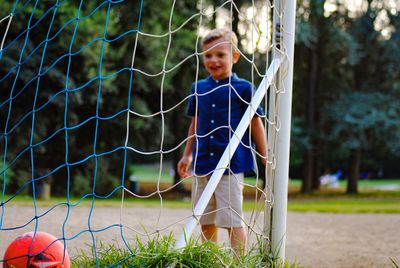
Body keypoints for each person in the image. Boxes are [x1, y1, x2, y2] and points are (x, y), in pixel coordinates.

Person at [177, 28, 267, 255]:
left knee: (232, 220)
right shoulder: (198, 88)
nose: (213, 60)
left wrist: (265, 156)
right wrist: (187, 155)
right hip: (202, 165)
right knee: (204, 218)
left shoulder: (245, 88)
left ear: (234, 56)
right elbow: (194, 125)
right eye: (208, 55)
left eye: (220, 54)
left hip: (230, 165)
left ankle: (239, 261)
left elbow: (255, 124)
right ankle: (210, 259)